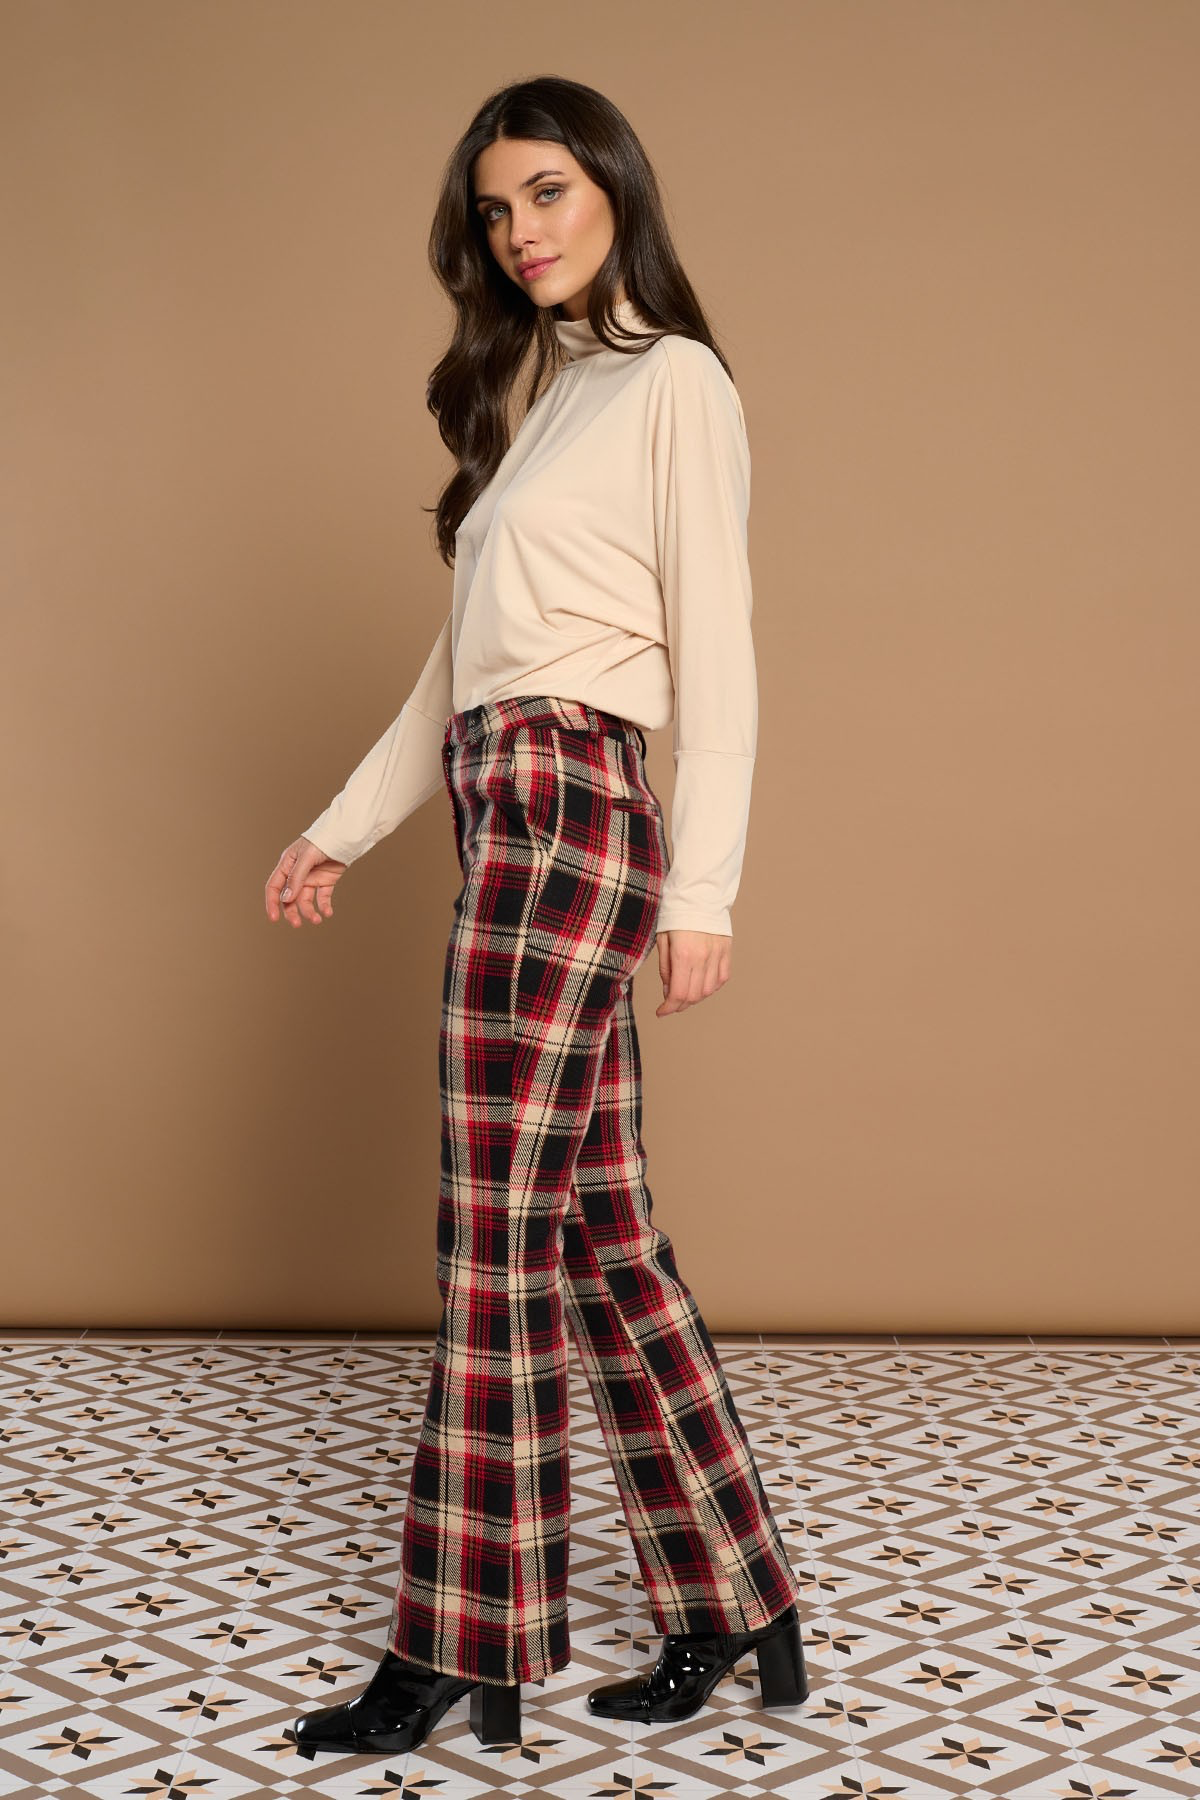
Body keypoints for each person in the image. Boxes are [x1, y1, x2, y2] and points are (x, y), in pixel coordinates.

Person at [265, 75, 808, 1759]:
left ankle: (456, 1641)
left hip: (574, 812)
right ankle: (738, 1599)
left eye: (549, 192)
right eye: (497, 210)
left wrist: (705, 888)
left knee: (489, 1234)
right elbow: (461, 671)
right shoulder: (542, 403)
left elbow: (718, 647)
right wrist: (337, 829)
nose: (522, 231)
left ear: (618, 189)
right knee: (595, 1234)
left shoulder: (676, 381)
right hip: (503, 798)